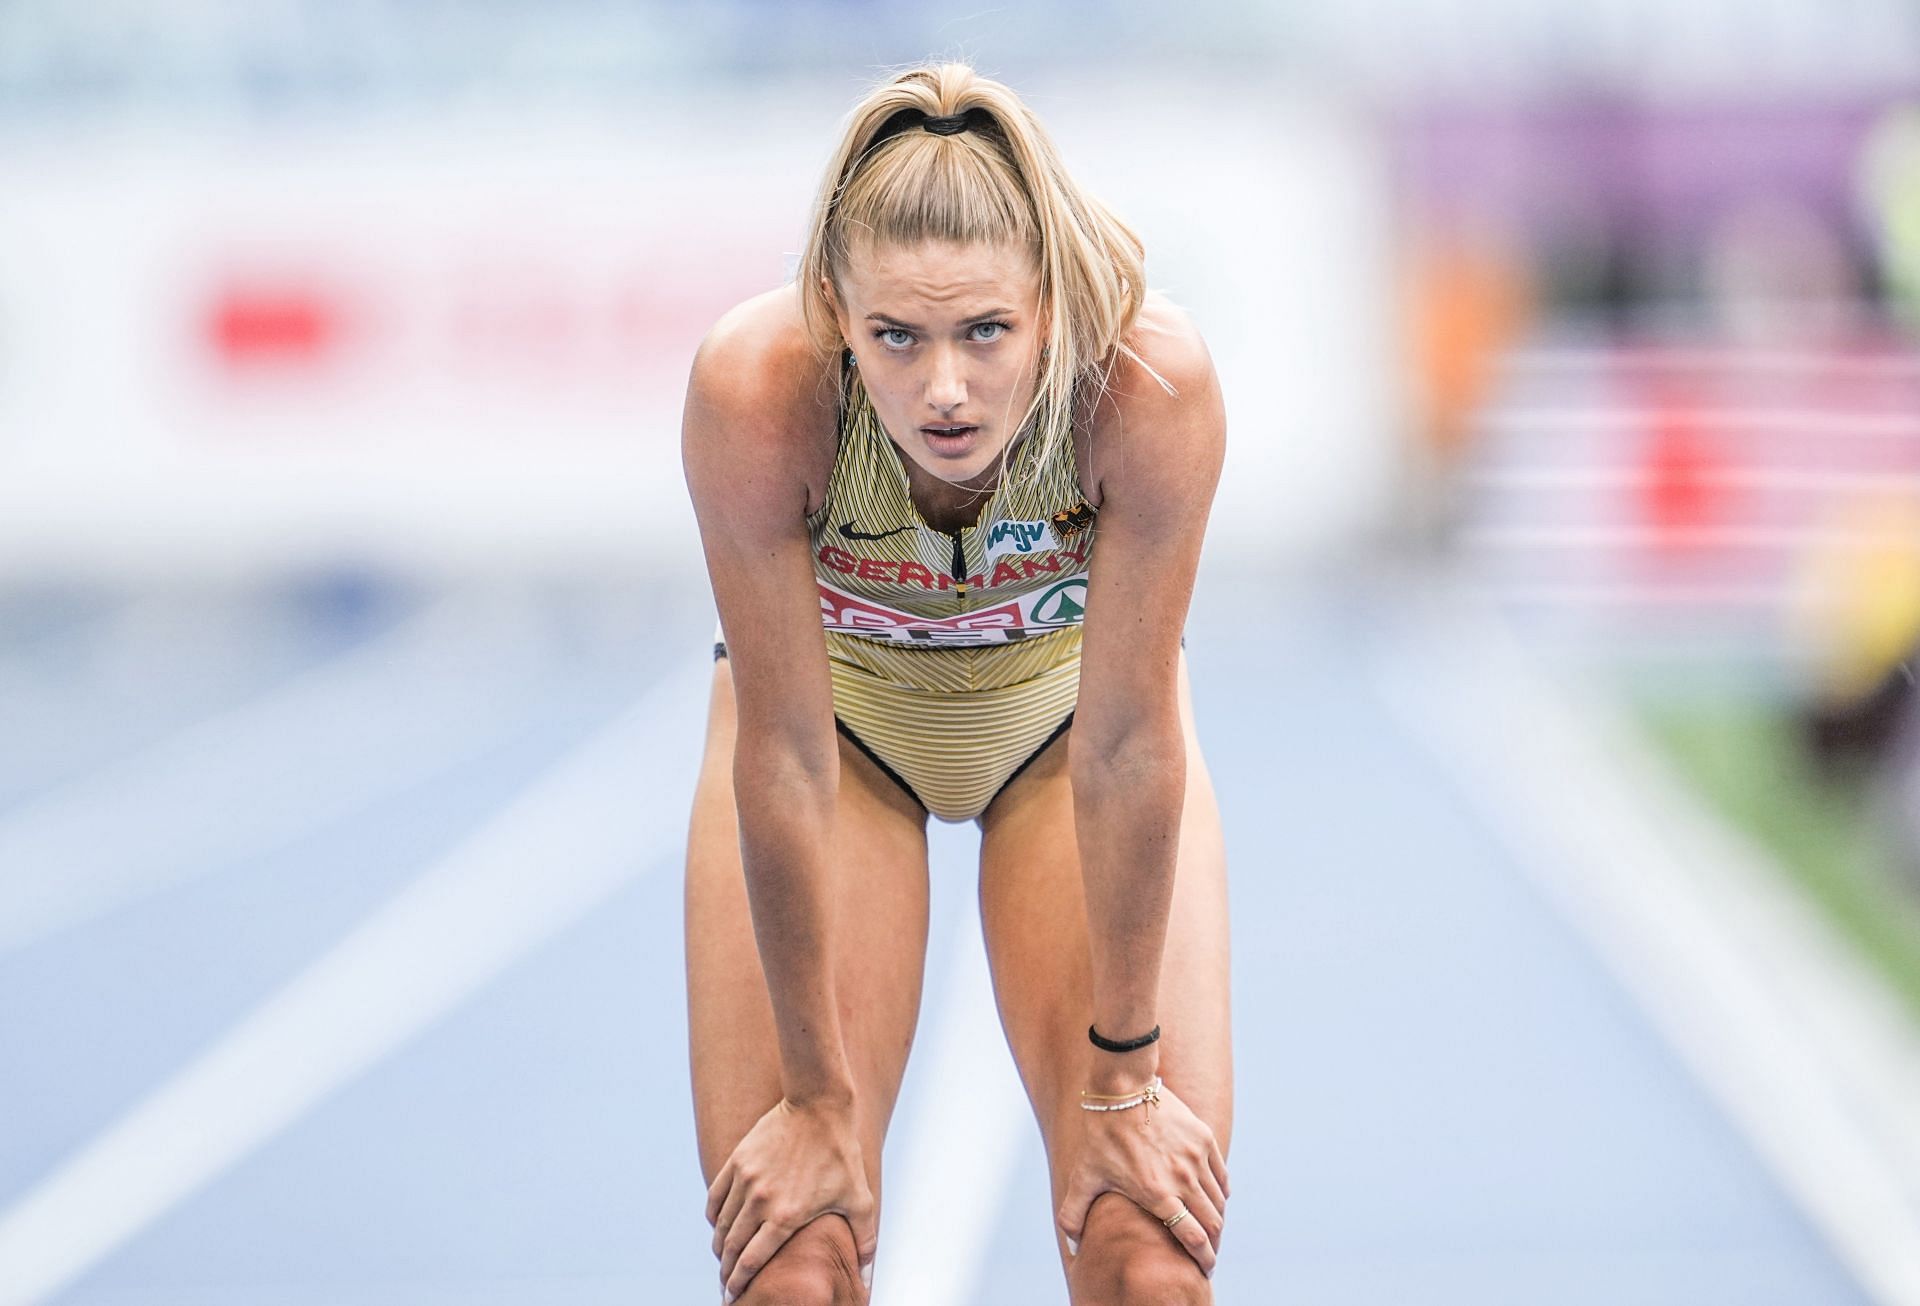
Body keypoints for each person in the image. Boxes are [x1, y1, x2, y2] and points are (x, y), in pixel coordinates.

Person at [682, 60, 1232, 1305]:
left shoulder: (1143, 387)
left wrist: (1125, 1075)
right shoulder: (757, 391)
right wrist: (819, 1098)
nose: (943, 388)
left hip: (1062, 738)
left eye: (986, 331)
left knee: (1146, 1246)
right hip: (844, 743)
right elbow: (780, 755)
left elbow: (1134, 743)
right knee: (794, 1263)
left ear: (1053, 304)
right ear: (833, 314)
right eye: (896, 337)